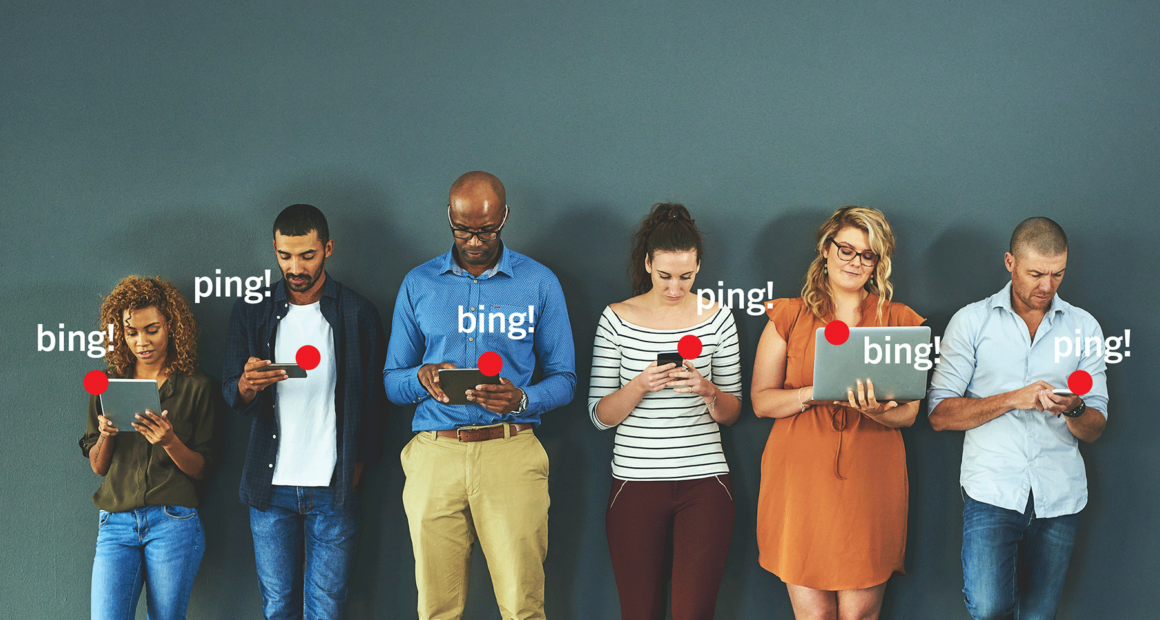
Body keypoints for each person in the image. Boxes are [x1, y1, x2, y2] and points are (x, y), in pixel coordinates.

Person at [384, 171, 576, 620]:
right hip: (436, 455)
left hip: (510, 450)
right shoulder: (419, 284)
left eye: (487, 230)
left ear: (505, 217)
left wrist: (522, 399)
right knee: (436, 610)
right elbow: (393, 381)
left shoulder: (539, 282)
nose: (474, 240)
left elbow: (565, 379)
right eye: (463, 229)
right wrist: (422, 377)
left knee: (522, 607)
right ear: (449, 218)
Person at [928, 217, 1108, 620]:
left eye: (1057, 274)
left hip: (1060, 495)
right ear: (1010, 262)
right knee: (989, 608)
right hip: (992, 491)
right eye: (1036, 273)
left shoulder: (1084, 328)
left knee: (1039, 616)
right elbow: (940, 414)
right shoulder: (971, 322)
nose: (1047, 286)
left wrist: (1074, 408)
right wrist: (1013, 398)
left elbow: (1095, 427)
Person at [751, 206, 924, 620]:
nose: (854, 262)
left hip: (870, 478)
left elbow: (912, 412)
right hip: (800, 478)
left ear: (877, 264)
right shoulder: (789, 315)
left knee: (861, 612)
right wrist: (813, 393)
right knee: (813, 615)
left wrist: (879, 411)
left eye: (867, 255)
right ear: (825, 250)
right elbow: (761, 401)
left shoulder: (899, 321)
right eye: (846, 249)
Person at [222, 204, 387, 620]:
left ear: (328, 248)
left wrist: (353, 476)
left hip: (333, 488)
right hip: (270, 489)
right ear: (275, 250)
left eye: (307, 256)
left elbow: (372, 407)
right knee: (277, 608)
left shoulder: (357, 312)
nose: (295, 267)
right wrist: (247, 384)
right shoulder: (252, 310)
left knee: (326, 610)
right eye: (285, 256)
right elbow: (231, 394)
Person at [588, 203, 742, 620]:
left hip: (705, 483)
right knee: (639, 612)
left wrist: (707, 389)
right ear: (648, 263)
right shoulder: (617, 318)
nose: (675, 288)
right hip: (635, 483)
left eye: (686, 277)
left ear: (698, 268)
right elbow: (599, 415)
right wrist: (639, 386)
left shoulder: (717, 317)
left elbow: (732, 412)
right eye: (665, 277)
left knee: (694, 613)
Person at [80, 276, 218, 620]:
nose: (142, 342)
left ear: (171, 326)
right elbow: (98, 467)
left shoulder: (197, 388)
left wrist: (169, 441)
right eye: (132, 333)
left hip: (173, 521)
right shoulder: (107, 384)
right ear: (121, 333)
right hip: (115, 522)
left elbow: (204, 468)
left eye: (152, 329)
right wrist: (106, 434)